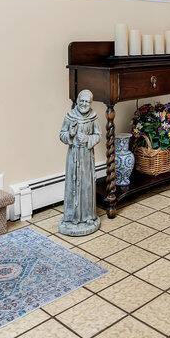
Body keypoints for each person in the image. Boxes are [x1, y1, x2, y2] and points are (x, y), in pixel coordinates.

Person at [58, 90, 101, 236]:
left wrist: (88, 140)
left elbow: (98, 135)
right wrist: (70, 134)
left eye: (87, 102)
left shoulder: (93, 117)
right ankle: (71, 217)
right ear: (77, 101)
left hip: (87, 157)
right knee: (72, 184)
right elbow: (62, 134)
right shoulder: (70, 117)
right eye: (81, 101)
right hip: (73, 156)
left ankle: (88, 216)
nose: (84, 104)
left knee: (87, 185)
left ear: (91, 103)